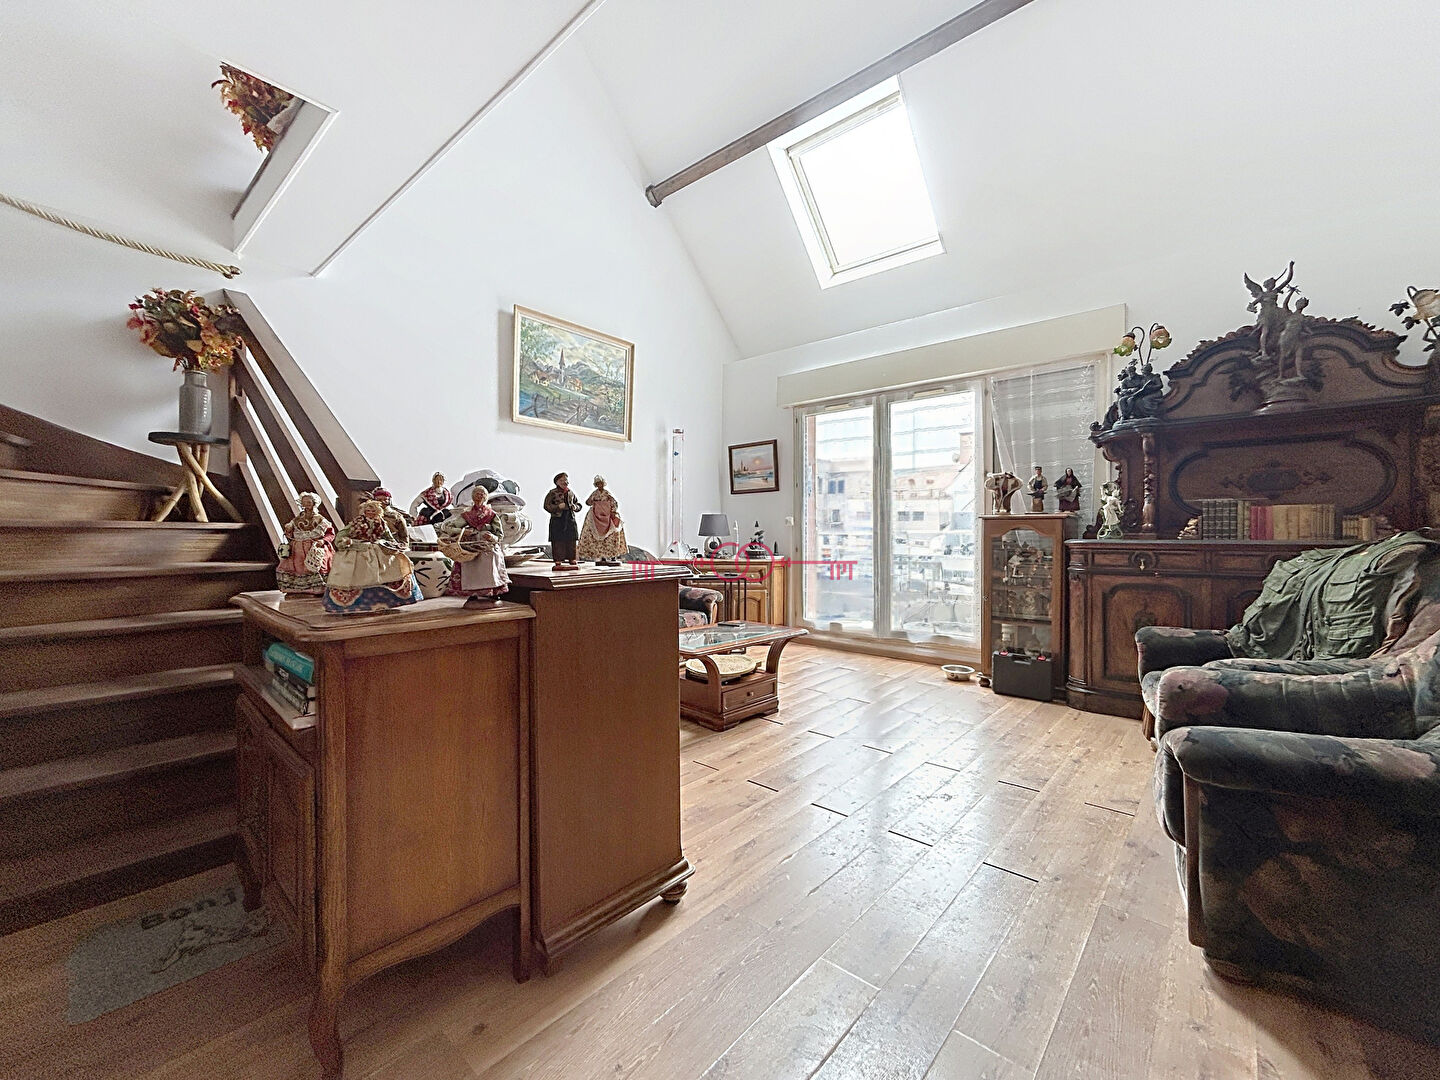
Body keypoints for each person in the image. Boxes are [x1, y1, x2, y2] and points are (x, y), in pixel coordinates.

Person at [323, 499, 422, 614]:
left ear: (378, 512)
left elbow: (388, 536)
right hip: (360, 549)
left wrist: (394, 545)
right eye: (368, 511)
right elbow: (342, 534)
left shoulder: (381, 523)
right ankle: (355, 601)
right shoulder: (356, 523)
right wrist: (345, 542)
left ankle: (389, 598)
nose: (370, 513)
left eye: (373, 511)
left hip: (377, 548)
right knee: (354, 571)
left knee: (394, 563)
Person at [438, 486, 509, 604]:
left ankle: (493, 591)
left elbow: (499, 535)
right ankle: (472, 593)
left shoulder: (491, 515)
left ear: (486, 497)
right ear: (473, 496)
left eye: (482, 494)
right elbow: (449, 527)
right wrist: (463, 531)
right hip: (472, 545)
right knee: (469, 563)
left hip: (487, 545)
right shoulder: (467, 514)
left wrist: (492, 537)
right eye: (477, 494)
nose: (479, 497)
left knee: (492, 558)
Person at [275, 492, 333, 595]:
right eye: (304, 502)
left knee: (317, 565)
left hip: (314, 547)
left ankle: (318, 587)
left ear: (314, 503)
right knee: (296, 565)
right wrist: (289, 528)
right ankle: (296, 588)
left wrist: (322, 541)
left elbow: (330, 534)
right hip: (298, 548)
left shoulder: (320, 519)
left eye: (309, 502)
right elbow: (290, 531)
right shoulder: (298, 519)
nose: (307, 504)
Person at [577, 475, 627, 565]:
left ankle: (613, 556)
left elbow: (614, 502)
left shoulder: (607, 493)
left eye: (601, 483)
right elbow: (588, 502)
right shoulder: (595, 493)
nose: (600, 485)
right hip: (596, 515)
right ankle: (602, 556)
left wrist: (613, 511)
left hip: (607, 514)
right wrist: (592, 502)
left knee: (612, 534)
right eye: (598, 484)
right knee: (594, 535)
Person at [544, 471, 582, 568]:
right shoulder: (552, 493)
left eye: (565, 480)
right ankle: (558, 559)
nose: (564, 482)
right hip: (557, 518)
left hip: (570, 517)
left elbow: (578, 504)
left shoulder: (571, 493)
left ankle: (572, 558)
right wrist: (557, 507)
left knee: (571, 539)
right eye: (561, 480)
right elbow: (547, 506)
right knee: (558, 540)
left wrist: (575, 507)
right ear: (557, 482)